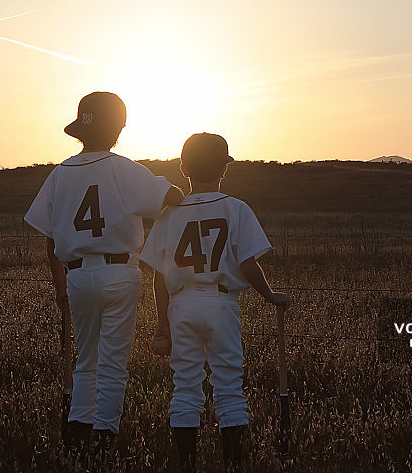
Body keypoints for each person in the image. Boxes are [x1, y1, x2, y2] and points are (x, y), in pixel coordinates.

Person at [23, 91, 183, 459]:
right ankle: (105, 440)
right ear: (119, 129)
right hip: (120, 272)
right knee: (113, 363)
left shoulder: (59, 174)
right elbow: (170, 196)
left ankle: (78, 438)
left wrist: (59, 287)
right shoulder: (122, 167)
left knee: (86, 361)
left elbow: (50, 240)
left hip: (77, 275)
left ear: (80, 129)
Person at [140, 133, 291, 472]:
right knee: (228, 384)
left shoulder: (169, 213)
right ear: (225, 168)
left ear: (183, 168)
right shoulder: (235, 208)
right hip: (221, 304)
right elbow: (249, 263)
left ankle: (188, 463)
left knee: (185, 384)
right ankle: (233, 463)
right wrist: (271, 296)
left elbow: (159, 277)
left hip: (181, 305)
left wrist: (162, 325)